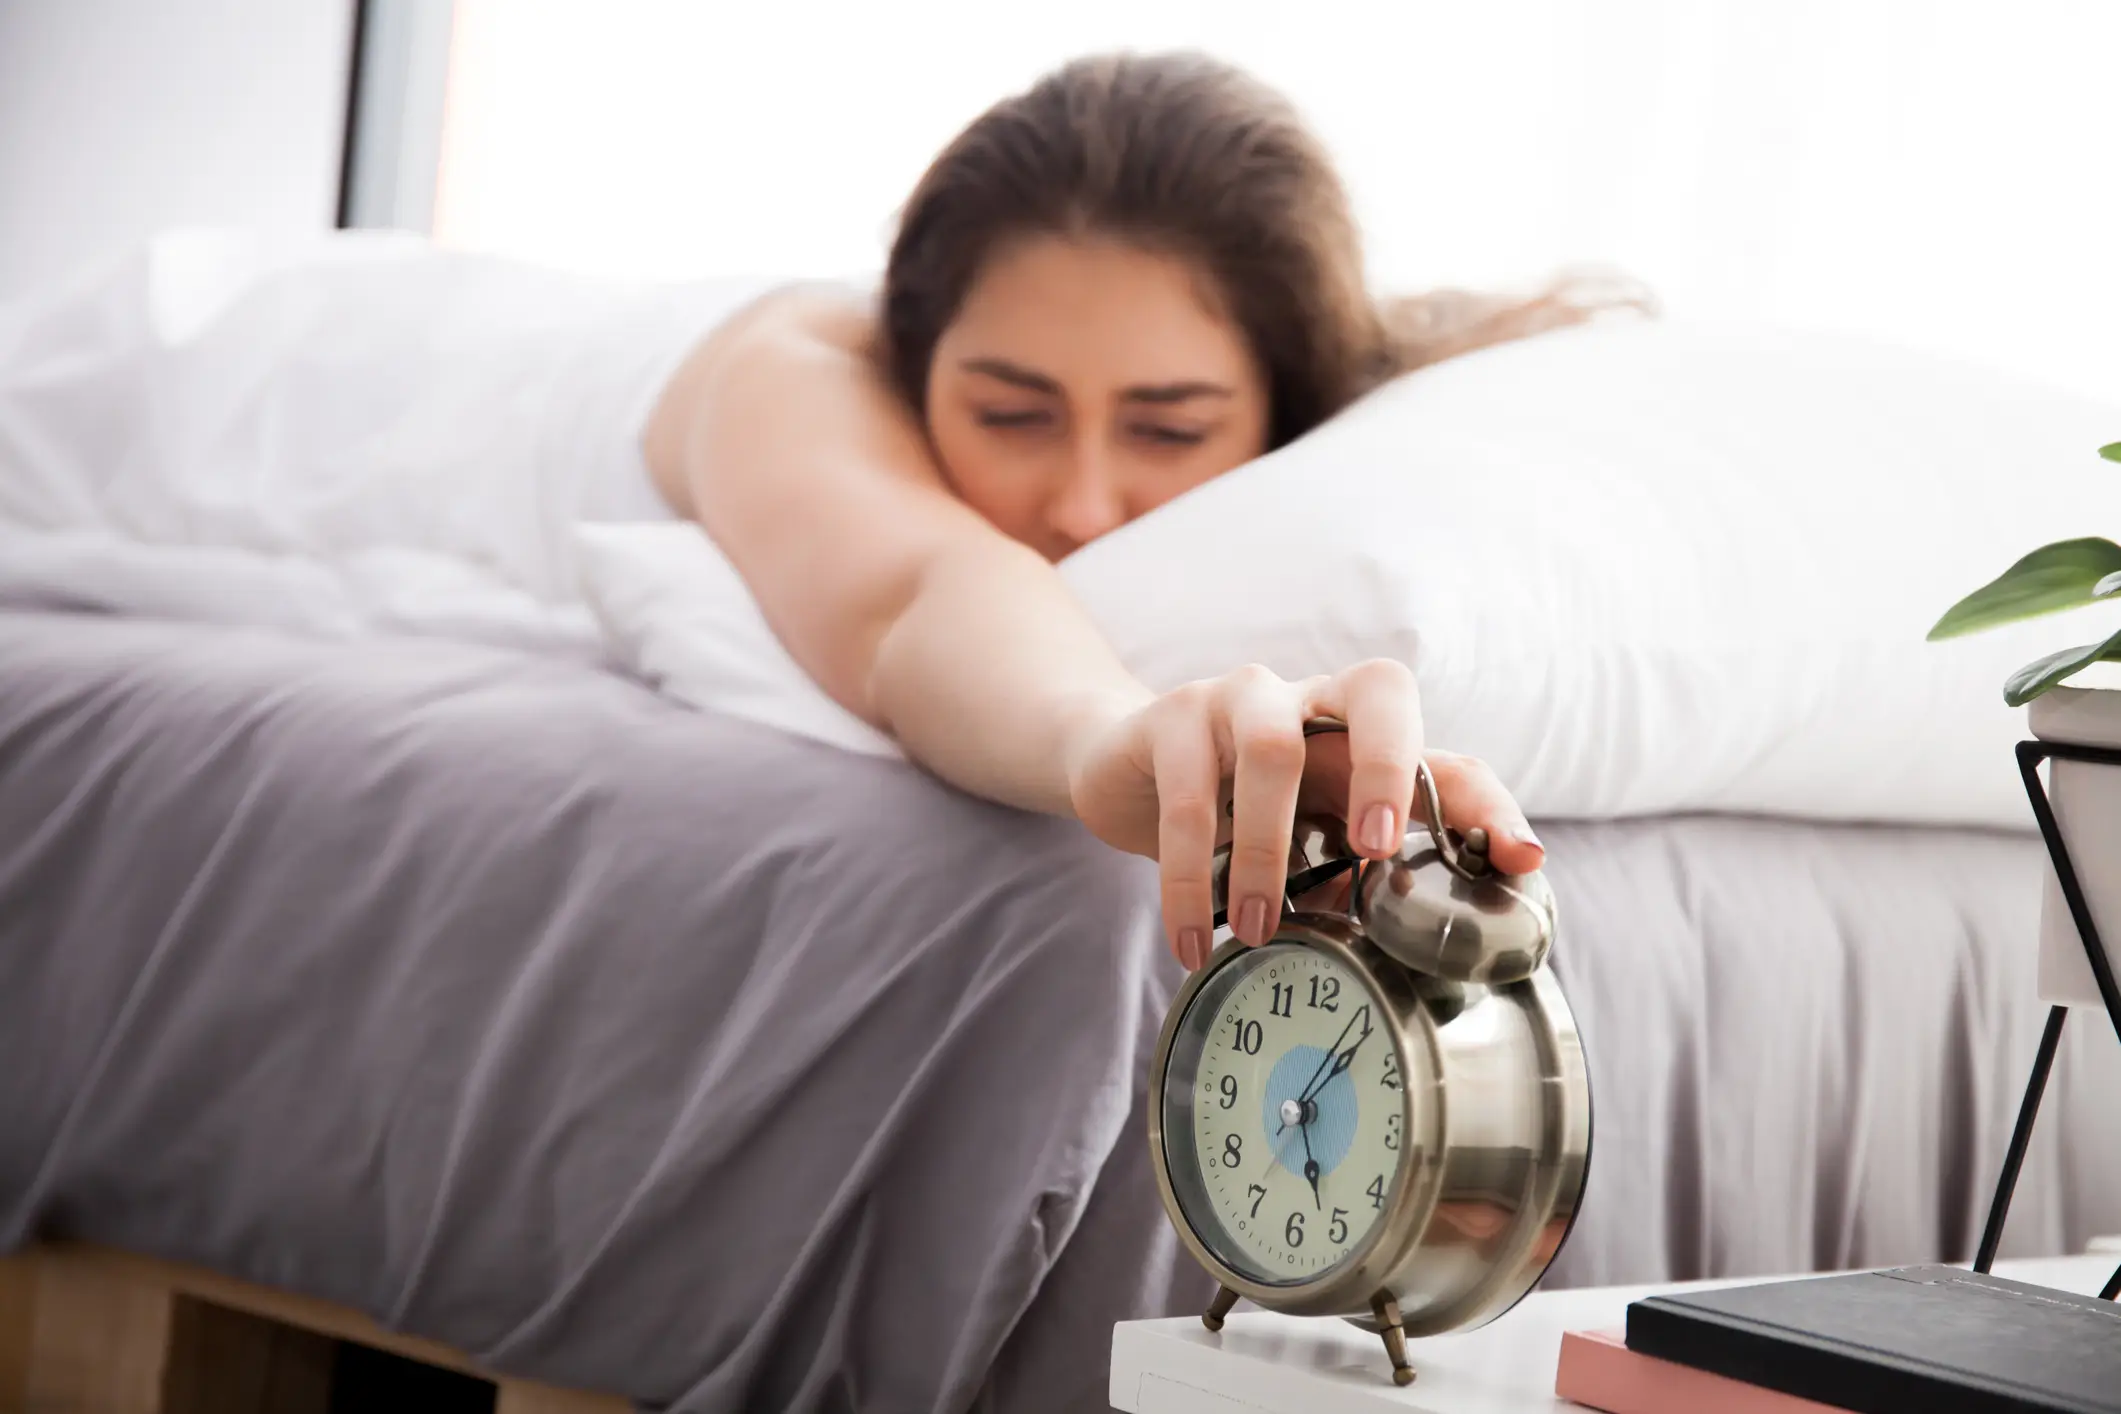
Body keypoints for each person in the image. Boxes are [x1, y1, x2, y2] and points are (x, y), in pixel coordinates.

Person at [643, 50, 1645, 972]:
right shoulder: (789, 369)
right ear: (917, 364)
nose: (1083, 506)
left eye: (1168, 430)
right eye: (1010, 415)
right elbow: (913, 593)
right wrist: (1113, 738)